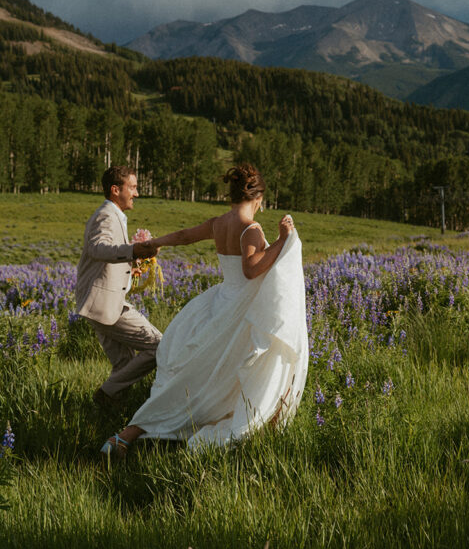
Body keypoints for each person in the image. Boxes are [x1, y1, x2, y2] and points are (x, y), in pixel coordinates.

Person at [100, 164, 308, 460]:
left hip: (220, 304)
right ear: (258, 198)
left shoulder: (219, 222)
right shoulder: (251, 228)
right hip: (240, 311)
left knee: (206, 375)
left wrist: (155, 242)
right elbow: (251, 269)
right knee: (226, 375)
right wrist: (283, 240)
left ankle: (130, 434)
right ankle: (145, 431)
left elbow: (185, 236)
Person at [76, 166, 162, 408]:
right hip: (104, 305)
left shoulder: (113, 215)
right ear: (116, 190)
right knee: (158, 346)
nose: (136, 193)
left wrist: (130, 267)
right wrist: (133, 250)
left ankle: (109, 413)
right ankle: (106, 393)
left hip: (101, 303)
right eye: (132, 187)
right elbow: (98, 249)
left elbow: (104, 256)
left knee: (124, 364)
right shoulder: (106, 215)